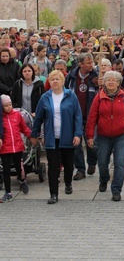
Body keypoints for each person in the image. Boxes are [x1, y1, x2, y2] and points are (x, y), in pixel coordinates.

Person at [31, 70, 83, 204]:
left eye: (57, 79)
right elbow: (39, 117)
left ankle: (68, 183)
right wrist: (34, 134)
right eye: (52, 79)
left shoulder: (71, 96)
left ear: (62, 81)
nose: (54, 81)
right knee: (53, 166)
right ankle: (53, 193)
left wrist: (78, 134)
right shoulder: (45, 97)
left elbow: (77, 117)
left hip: (68, 136)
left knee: (68, 163)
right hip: (51, 137)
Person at [86, 71, 124, 202]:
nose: (110, 82)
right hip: (103, 135)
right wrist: (90, 135)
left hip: (121, 135)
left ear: (118, 83)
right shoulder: (99, 97)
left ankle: (116, 190)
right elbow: (92, 118)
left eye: (113, 80)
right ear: (104, 82)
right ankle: (104, 179)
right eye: (108, 79)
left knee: (119, 162)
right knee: (102, 161)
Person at [65, 53, 99, 180]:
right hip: (75, 116)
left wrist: (100, 85)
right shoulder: (72, 77)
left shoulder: (96, 77)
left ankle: (92, 162)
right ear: (81, 64)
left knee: (92, 143)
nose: (91, 65)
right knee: (76, 144)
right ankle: (80, 169)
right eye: (89, 63)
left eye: (92, 63)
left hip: (90, 115)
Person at [0, 95, 31, 203]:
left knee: (19, 167)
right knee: (6, 170)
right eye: (5, 106)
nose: (8, 107)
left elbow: (24, 128)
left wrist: (31, 136)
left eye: (10, 105)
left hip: (17, 147)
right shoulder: (1, 119)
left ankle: (22, 180)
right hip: (5, 148)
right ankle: (8, 192)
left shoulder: (17, 115)